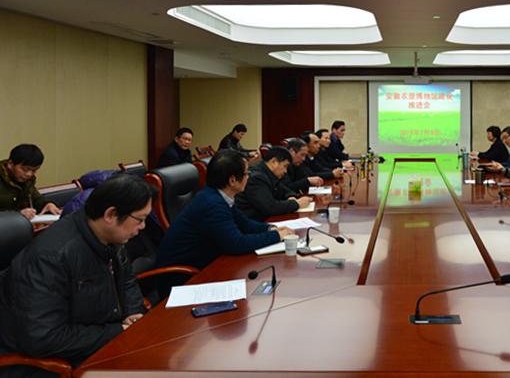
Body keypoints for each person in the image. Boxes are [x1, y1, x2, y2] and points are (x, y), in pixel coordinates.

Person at [0, 174, 151, 369]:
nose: (143, 226)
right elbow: (43, 337)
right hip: (52, 363)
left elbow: (127, 279)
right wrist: (116, 331)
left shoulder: (110, 236)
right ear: (111, 215)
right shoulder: (51, 257)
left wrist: (132, 312)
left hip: (96, 339)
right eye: (140, 219)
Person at [156, 150, 294, 271]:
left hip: (207, 261)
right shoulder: (212, 204)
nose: (248, 176)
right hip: (183, 275)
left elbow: (245, 224)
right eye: (246, 173)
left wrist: (271, 228)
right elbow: (236, 244)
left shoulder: (219, 196)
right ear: (232, 180)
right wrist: (277, 236)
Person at [235, 146, 313, 220]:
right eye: (285, 166)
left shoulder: (269, 173)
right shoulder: (256, 177)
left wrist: (291, 196)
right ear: (274, 162)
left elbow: (284, 190)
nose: (285, 171)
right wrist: (297, 204)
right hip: (254, 222)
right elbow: (270, 207)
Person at [0, 144, 61, 219]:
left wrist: (47, 204)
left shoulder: (27, 181)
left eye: (34, 170)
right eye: (25, 169)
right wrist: (18, 214)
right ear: (10, 164)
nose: (29, 174)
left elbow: (36, 199)